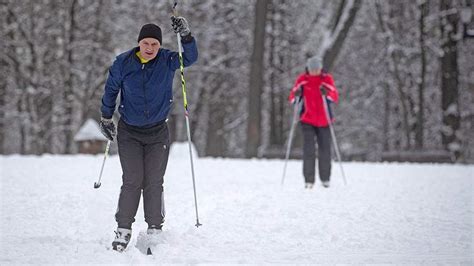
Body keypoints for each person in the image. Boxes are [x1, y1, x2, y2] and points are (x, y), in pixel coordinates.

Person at [99, 16, 198, 252]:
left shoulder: (167, 60)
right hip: (129, 131)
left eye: (155, 44)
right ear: (139, 43)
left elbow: (191, 58)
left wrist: (186, 35)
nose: (151, 48)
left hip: (157, 132)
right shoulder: (123, 63)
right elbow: (111, 89)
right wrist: (105, 116)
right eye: (146, 44)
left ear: (160, 45)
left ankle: (155, 229)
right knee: (133, 180)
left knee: (154, 182)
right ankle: (123, 230)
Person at [288, 56, 339, 189]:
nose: (314, 72)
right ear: (308, 69)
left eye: (317, 69)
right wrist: (297, 95)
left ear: (320, 68)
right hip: (307, 119)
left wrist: (326, 93)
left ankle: (325, 178)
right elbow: (292, 97)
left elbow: (334, 96)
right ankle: (309, 180)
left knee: (325, 150)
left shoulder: (326, 79)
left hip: (324, 120)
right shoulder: (302, 80)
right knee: (308, 149)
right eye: (312, 69)